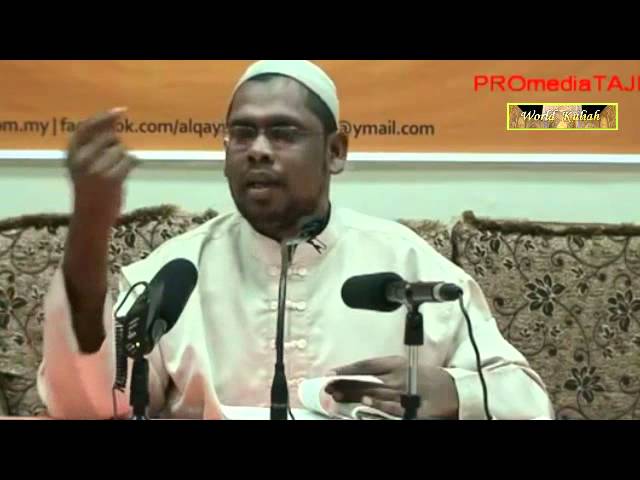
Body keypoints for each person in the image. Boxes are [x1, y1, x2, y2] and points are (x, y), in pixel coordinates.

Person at [37, 60, 554, 420]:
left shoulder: (406, 262)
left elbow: (529, 399)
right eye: (242, 134)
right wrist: (90, 227)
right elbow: (87, 404)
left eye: (283, 133)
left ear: (335, 152)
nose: (258, 150)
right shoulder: (176, 272)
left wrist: (454, 392)